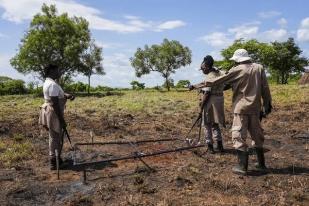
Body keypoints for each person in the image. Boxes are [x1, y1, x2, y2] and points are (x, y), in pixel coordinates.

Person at [190, 49, 272, 175]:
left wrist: (195, 86)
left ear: (237, 60)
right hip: (256, 108)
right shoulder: (259, 68)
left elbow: (215, 81)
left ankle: (242, 167)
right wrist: (267, 105)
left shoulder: (237, 69)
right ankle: (261, 164)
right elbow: (265, 88)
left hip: (241, 108)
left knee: (238, 136)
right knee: (257, 135)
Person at [39, 64, 75, 170]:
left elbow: (57, 95)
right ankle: (54, 163)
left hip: (50, 111)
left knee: (54, 136)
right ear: (52, 71)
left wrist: (67, 95)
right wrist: (61, 119)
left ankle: (56, 159)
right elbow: (55, 103)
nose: (59, 73)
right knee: (55, 137)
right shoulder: (52, 84)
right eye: (57, 71)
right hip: (54, 112)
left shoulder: (49, 82)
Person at [194, 55, 226, 153]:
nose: (202, 70)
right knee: (215, 124)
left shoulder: (209, 77)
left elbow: (206, 93)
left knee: (207, 124)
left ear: (207, 67)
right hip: (219, 101)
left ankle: (210, 147)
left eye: (203, 68)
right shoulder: (220, 73)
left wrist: (201, 108)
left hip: (210, 103)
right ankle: (220, 146)